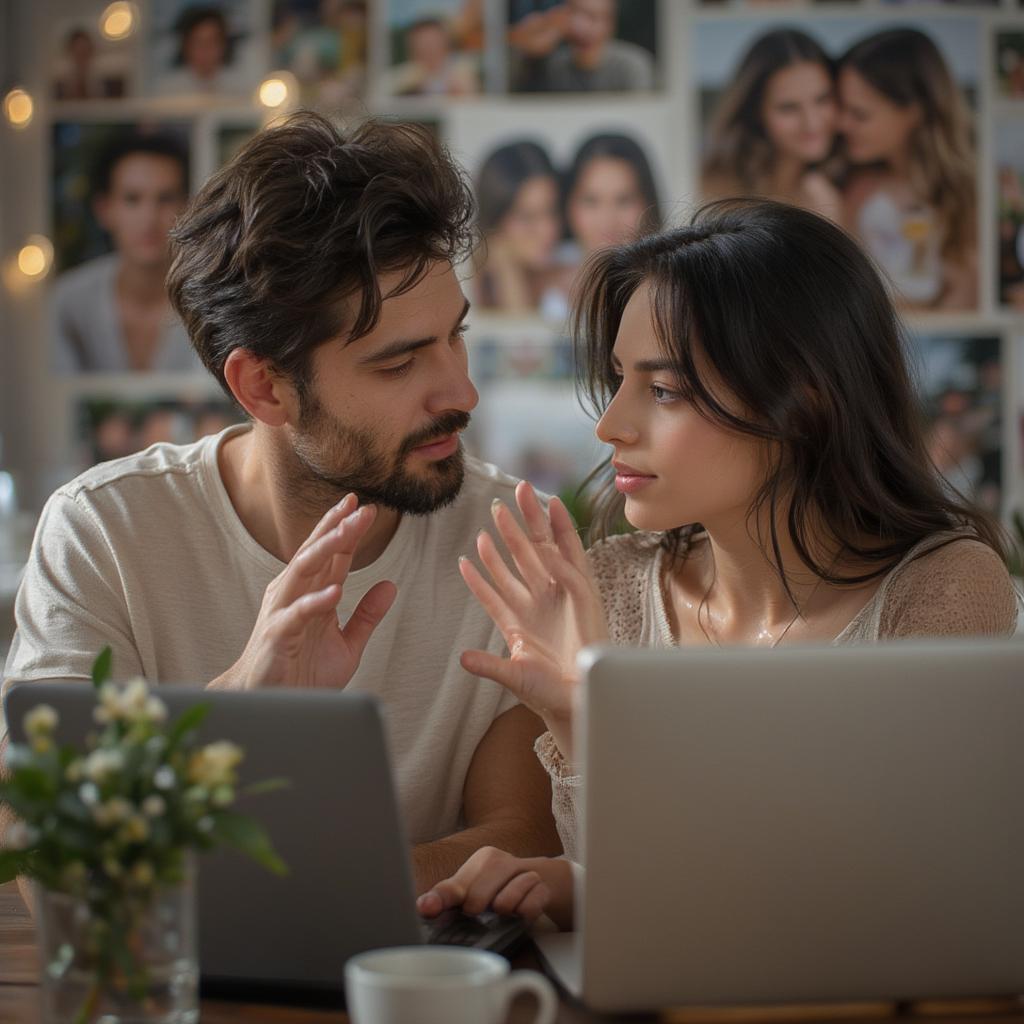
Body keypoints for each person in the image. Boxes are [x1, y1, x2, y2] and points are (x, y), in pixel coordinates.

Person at [418, 198, 1021, 928]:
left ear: (802, 403)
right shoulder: (608, 585)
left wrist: (592, 881)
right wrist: (577, 726)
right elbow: (651, 898)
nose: (611, 425)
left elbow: (878, 890)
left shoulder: (944, 586)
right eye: (619, 380)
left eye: (664, 389)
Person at [5, 113, 561, 892]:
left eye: (454, 337)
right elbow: (45, 851)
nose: (461, 392)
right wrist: (238, 705)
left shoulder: (509, 540)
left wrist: (290, 897)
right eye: (399, 364)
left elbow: (519, 837)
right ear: (264, 387)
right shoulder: (103, 532)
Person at [836, 28, 977, 310]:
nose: (842, 124)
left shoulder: (966, 192)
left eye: (860, 114)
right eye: (841, 108)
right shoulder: (850, 185)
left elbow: (967, 294)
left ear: (915, 110)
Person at [53, 132, 197, 374]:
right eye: (132, 199)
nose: (149, 219)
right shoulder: (66, 302)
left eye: (165, 199)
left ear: (188, 208)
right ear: (104, 210)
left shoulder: (211, 302)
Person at [701, 28, 841, 222]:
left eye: (822, 99)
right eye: (788, 108)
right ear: (756, 112)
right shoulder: (719, 187)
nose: (812, 123)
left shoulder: (855, 184)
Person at [474, 140, 563, 315]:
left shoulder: (568, 271)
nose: (548, 230)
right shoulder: (465, 281)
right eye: (527, 217)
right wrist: (507, 270)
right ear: (495, 219)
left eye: (552, 211)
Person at [509, 0, 655, 93]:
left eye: (592, 17)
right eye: (574, 15)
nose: (581, 28)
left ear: (610, 23)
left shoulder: (632, 66)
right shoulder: (554, 67)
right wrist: (531, 47)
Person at [562, 133, 662, 258]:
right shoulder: (545, 269)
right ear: (569, 204)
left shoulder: (675, 273)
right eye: (591, 201)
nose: (607, 221)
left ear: (648, 202)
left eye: (624, 201)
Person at [387, 17, 480, 96]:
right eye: (423, 42)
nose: (429, 47)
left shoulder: (463, 68)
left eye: (433, 41)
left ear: (445, 42)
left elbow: (471, 99)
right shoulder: (405, 74)